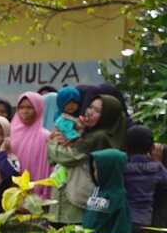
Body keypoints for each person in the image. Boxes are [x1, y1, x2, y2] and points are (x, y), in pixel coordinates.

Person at [49, 94, 126, 225]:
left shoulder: (99, 137)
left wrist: (52, 141)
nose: (89, 112)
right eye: (90, 107)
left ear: (107, 116)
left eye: (97, 111)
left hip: (77, 203)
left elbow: (65, 157)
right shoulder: (89, 134)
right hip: (70, 199)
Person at [124, 126, 167, 233]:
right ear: (152, 147)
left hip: (124, 217)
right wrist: (158, 161)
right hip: (145, 218)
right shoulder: (156, 167)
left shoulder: (123, 166)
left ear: (126, 146)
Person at [83, 148, 131, 233]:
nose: (94, 173)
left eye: (97, 169)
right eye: (93, 169)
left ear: (108, 170)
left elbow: (121, 232)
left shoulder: (118, 196)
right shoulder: (97, 191)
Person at [9, 92, 52, 199]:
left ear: (38, 109)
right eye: (21, 107)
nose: (25, 111)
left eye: (29, 107)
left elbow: (47, 168)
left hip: (36, 193)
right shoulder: (10, 132)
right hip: (12, 190)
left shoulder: (45, 136)